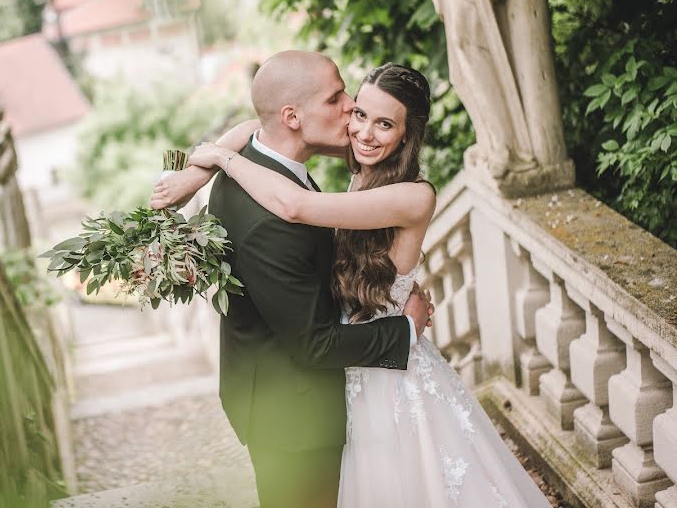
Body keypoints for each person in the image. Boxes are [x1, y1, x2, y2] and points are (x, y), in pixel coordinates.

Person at [153, 59, 551, 507]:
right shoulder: (358, 155)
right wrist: (195, 174)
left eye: (384, 123)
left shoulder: (412, 196)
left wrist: (222, 159)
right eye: (356, 111)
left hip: (385, 371)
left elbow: (296, 206)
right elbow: (255, 124)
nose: (359, 127)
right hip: (340, 370)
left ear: (406, 134)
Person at [153, 51, 434, 508]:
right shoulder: (270, 218)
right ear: (292, 117)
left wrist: (203, 168)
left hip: (310, 390)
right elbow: (314, 343)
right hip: (294, 413)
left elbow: (253, 127)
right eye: (339, 99)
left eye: (374, 116)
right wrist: (405, 330)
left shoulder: (262, 158)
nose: (351, 112)